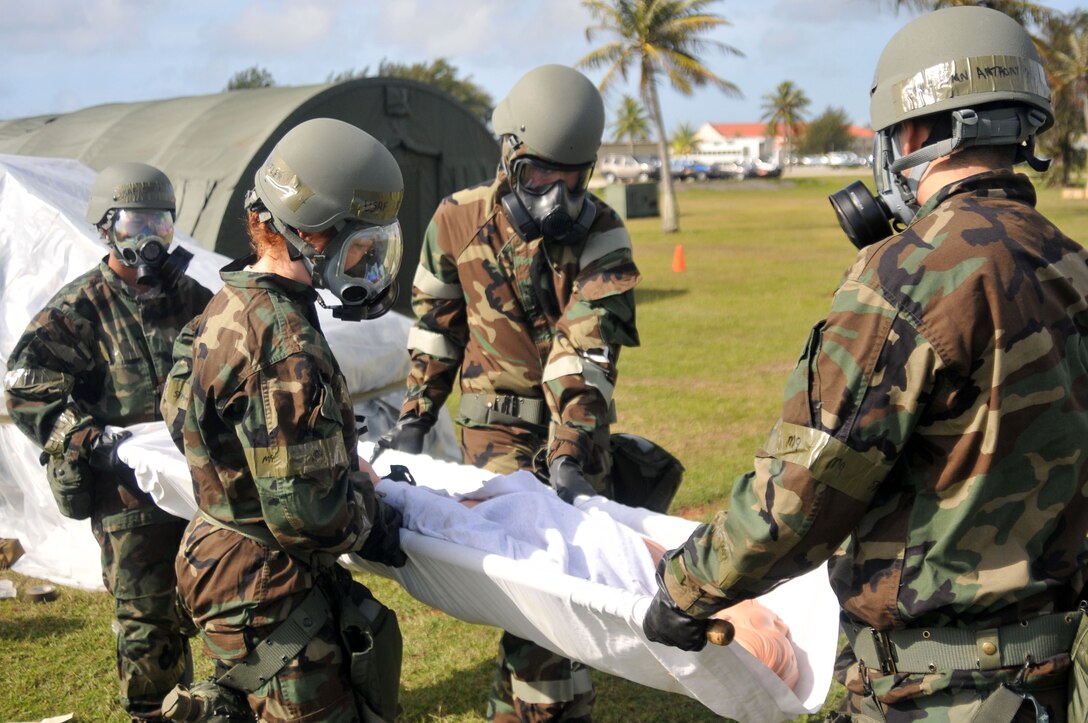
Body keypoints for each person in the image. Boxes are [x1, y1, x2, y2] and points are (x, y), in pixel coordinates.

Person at [641, 6, 1088, 722]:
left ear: (914, 132)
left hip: (934, 688)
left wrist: (686, 588)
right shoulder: (1072, 262)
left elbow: (802, 489)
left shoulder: (904, 275)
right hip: (1051, 674)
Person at [379, 64, 641, 721]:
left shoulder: (602, 233)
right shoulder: (456, 221)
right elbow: (435, 330)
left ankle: (530, 706)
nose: (557, 194)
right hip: (493, 434)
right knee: (544, 592)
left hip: (573, 436)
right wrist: (413, 420)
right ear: (511, 158)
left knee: (557, 603)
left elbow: (583, 354)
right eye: (541, 174)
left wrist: (573, 457)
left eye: (572, 177)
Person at [160, 117, 408, 723]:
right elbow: (309, 514)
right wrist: (375, 513)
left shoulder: (230, 303)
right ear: (311, 237)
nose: (370, 268)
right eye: (361, 250)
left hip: (224, 560)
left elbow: (179, 410)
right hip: (264, 586)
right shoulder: (285, 344)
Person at [4, 161, 213, 721]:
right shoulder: (79, 308)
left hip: (198, 484)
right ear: (105, 229)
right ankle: (154, 712)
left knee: (221, 599)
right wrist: (87, 438)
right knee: (147, 622)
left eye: (160, 226)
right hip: (126, 498)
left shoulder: (194, 299)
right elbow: (25, 386)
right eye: (133, 226)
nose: (148, 241)